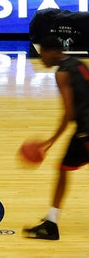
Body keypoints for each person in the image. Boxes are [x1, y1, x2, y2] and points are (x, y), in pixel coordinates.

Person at [23, 36, 89, 240]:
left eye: (42, 52)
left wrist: (49, 141)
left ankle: (51, 224)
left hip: (86, 131)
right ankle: (51, 221)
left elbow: (68, 112)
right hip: (84, 129)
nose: (40, 57)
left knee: (62, 170)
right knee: (63, 168)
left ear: (53, 52)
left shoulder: (62, 73)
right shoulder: (80, 64)